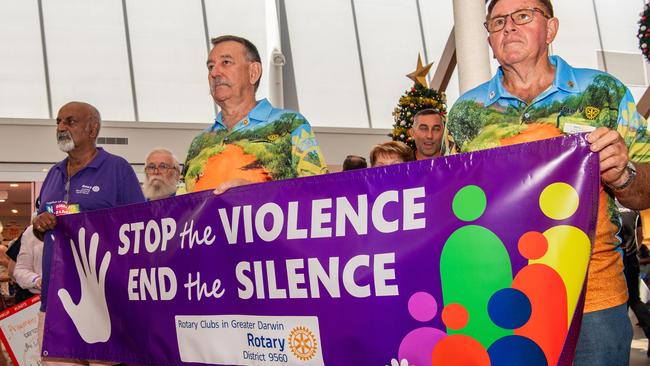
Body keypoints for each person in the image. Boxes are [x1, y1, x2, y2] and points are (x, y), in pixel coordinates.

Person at [446, 1, 650, 365]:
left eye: (523, 15)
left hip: (592, 300)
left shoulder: (602, 91)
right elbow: (449, 206)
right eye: (497, 21)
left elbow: (646, 188)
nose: (509, 27)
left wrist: (624, 172)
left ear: (551, 29)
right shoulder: (465, 113)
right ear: (489, 38)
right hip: (497, 301)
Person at [32, 101, 145, 366]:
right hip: (55, 301)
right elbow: (41, 233)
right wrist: (39, 225)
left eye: (70, 121)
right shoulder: (53, 174)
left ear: (93, 128)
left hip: (105, 302)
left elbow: (139, 232)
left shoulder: (118, 169)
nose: (61, 127)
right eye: (58, 122)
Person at [182, 35, 327, 194]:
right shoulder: (199, 142)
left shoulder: (291, 124)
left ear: (253, 72)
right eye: (210, 66)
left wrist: (256, 196)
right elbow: (180, 210)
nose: (215, 73)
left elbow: (318, 193)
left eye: (226, 62)